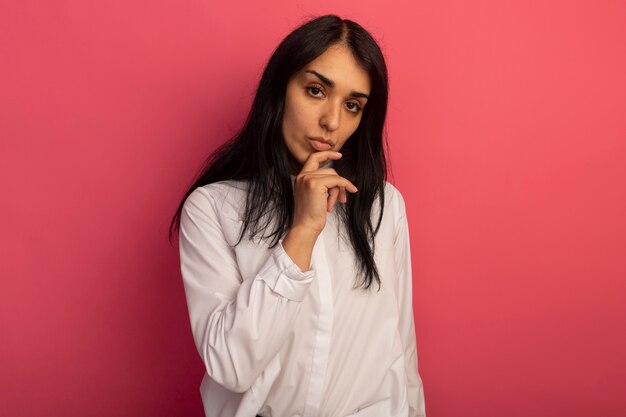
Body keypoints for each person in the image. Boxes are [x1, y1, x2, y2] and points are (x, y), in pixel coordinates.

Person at [169, 14, 426, 417]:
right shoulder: (212, 209)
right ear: (280, 89)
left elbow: (402, 349)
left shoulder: (382, 206)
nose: (332, 121)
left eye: (353, 105)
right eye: (315, 90)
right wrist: (303, 230)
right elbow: (231, 366)